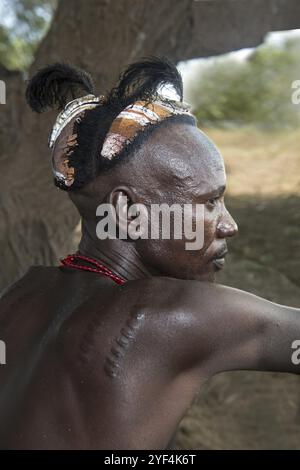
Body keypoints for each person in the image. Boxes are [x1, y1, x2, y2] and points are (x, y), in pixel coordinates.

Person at [0, 57, 299, 450]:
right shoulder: (167, 318)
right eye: (208, 203)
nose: (229, 225)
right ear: (129, 213)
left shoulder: (19, 297)